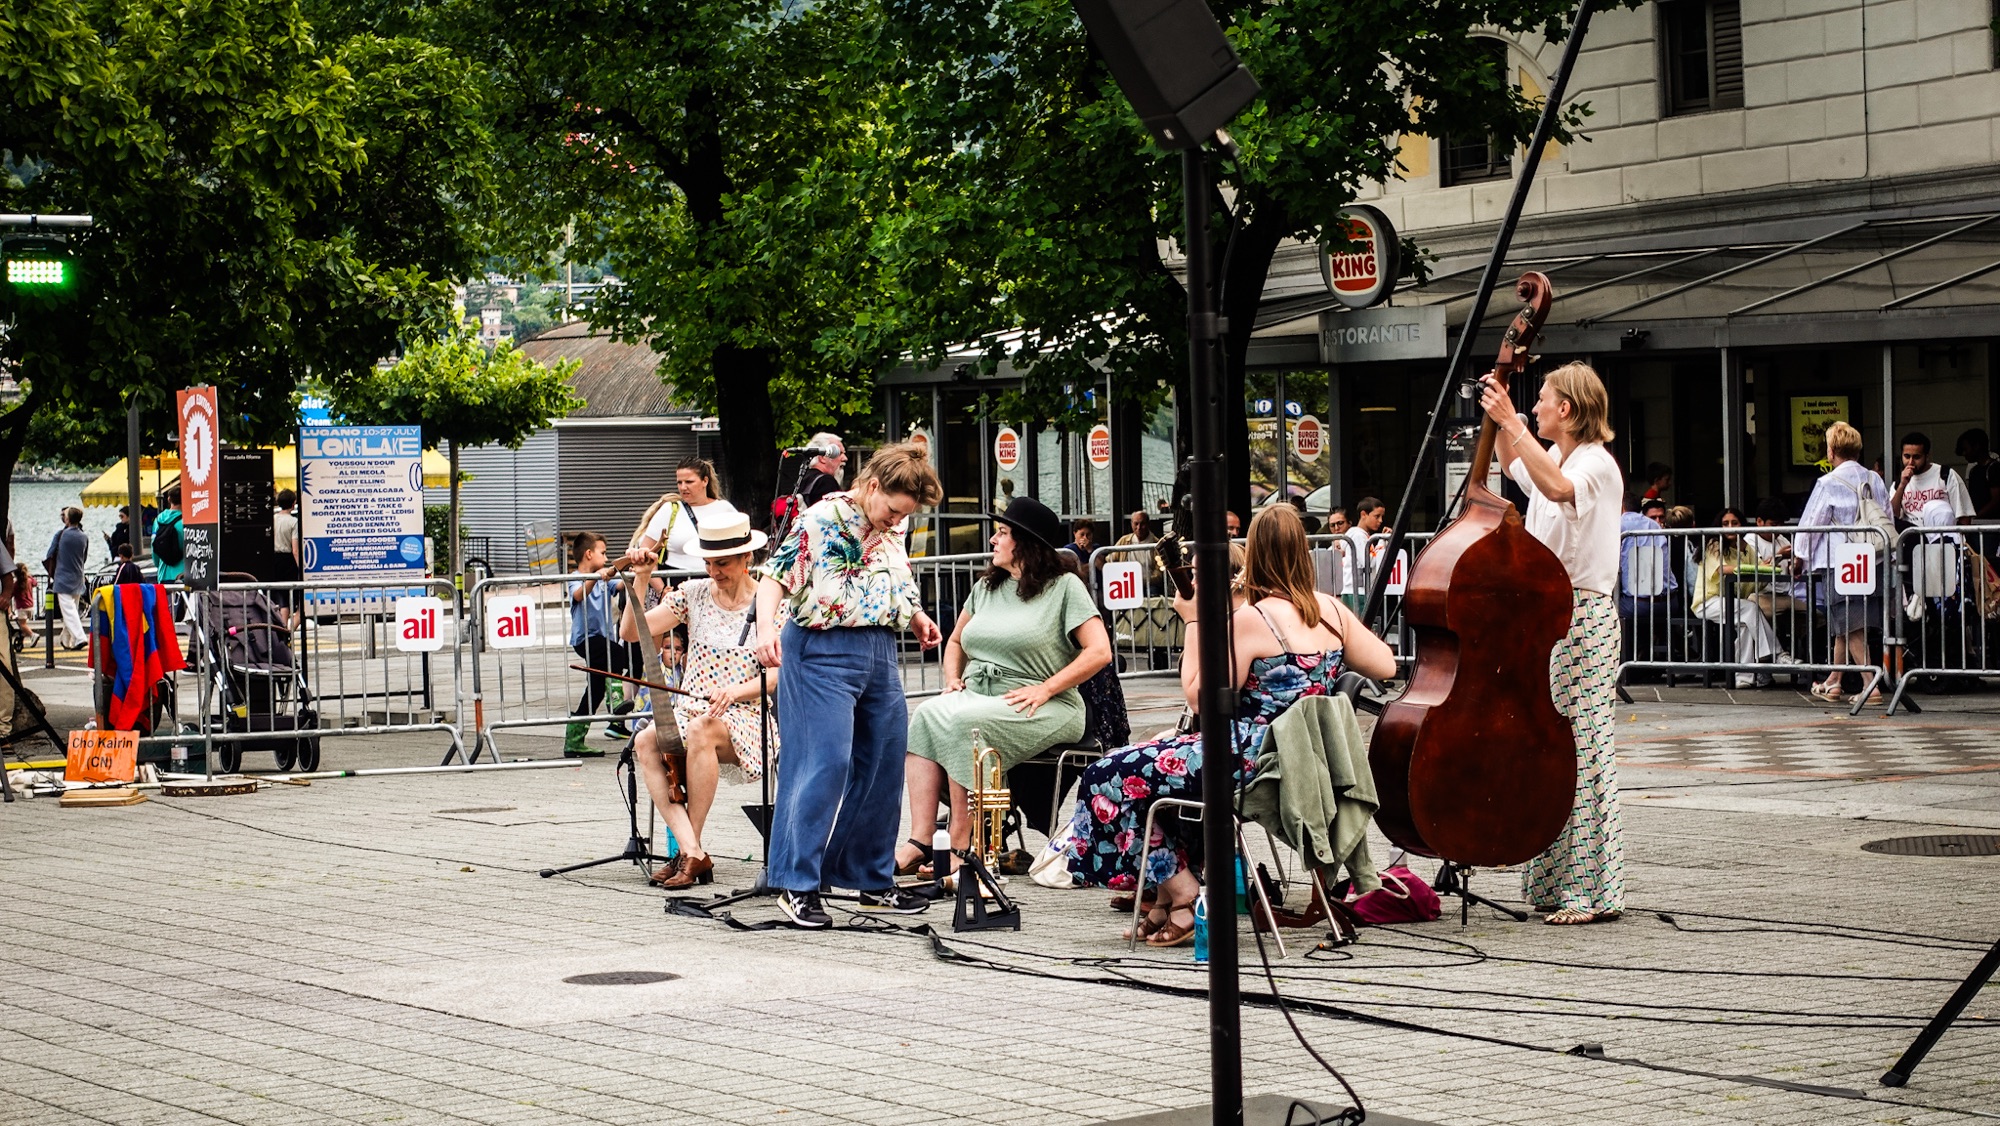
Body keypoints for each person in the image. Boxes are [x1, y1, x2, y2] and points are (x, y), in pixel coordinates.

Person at [1058, 506, 1396, 946]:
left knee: (1107, 774)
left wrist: (1195, 621)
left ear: (1253, 554)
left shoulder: (1256, 620)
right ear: (1302, 553)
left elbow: (1199, 696)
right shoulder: (1330, 611)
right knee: (1145, 772)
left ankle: (1183, 894)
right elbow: (1386, 665)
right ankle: (1166, 899)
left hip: (1251, 756)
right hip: (1306, 761)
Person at [754, 442, 944, 928]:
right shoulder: (820, 518)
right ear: (873, 486)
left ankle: (869, 877)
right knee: (824, 760)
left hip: (878, 648)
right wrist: (764, 630)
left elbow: (895, 580)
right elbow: (775, 577)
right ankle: (797, 883)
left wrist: (918, 616)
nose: (896, 521)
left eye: (905, 515)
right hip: (820, 648)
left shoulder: (892, 525)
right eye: (893, 510)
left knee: (883, 761)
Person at [1479, 359, 1625, 926]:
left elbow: (1559, 489)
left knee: (1584, 749)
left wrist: (1510, 420)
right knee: (1551, 746)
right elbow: (1519, 466)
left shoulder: (1594, 464)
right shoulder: (1560, 455)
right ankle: (1552, 880)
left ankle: (1591, 890)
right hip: (1548, 617)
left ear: (1566, 409)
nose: (1535, 406)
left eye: (1542, 399)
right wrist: (1499, 416)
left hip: (1582, 615)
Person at [896, 497, 1112, 879]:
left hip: (1046, 702)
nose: (993, 539)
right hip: (980, 693)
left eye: (1002, 532)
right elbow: (957, 641)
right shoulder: (987, 587)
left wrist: (1047, 688)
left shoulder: (1064, 588)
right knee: (927, 714)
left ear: (1025, 543)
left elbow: (1099, 651)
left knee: (968, 724)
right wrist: (951, 677)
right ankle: (922, 839)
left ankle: (964, 844)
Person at [619, 511, 781, 890]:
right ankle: (693, 851)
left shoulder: (770, 603)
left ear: (746, 559)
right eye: (708, 562)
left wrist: (735, 691)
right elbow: (631, 632)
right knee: (645, 738)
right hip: (694, 710)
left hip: (747, 716)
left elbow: (779, 673)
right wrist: (642, 578)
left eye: (722, 563)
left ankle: (689, 853)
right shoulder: (692, 594)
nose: (714, 571)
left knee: (700, 729)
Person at [1795, 421, 1892, 704]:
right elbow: (1885, 516)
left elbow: (1812, 523)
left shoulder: (1828, 483)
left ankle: (1870, 684)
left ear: (1832, 450)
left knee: (1849, 623)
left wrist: (1800, 557)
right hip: (1872, 557)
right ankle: (1834, 681)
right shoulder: (1875, 479)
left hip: (1841, 560)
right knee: (1847, 621)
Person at [1692, 507, 1793, 688]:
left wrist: (1770, 564)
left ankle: (1744, 678)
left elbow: (1757, 577)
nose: (1730, 527)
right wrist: (1757, 568)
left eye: (1734, 523)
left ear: (1742, 525)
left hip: (1734, 603)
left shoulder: (1747, 548)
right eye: (1725, 524)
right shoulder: (1713, 544)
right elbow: (1722, 569)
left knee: (1746, 624)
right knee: (1751, 608)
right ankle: (1776, 654)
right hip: (1708, 602)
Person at [563, 533, 628, 758]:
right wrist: (596, 577)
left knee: (595, 689)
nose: (606, 557)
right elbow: (579, 595)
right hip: (586, 639)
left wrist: (635, 571)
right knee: (618, 655)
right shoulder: (575, 577)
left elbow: (618, 586)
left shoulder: (603, 578)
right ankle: (615, 700)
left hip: (602, 638)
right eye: (603, 553)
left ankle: (574, 741)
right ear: (589, 554)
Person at [633, 457, 739, 573]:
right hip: (676, 582)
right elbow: (646, 553)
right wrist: (662, 589)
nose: (683, 487)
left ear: (705, 481)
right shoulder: (669, 510)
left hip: (718, 581)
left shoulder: (724, 508)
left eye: (689, 482)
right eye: (679, 482)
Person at [1890, 432, 1973, 528]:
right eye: (1907, 456)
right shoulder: (1899, 482)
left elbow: (1964, 516)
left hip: (1942, 538)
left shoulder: (1945, 475)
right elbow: (1892, 516)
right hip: (1912, 537)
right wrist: (1902, 485)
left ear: (1927, 456)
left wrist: (1958, 540)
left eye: (1917, 457)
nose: (1911, 462)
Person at [43, 507, 90, 649]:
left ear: (67, 519)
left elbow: (50, 553)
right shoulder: (84, 536)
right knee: (72, 611)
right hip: (78, 576)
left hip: (62, 577)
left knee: (69, 611)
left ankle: (80, 637)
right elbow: (85, 557)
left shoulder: (61, 534)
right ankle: (66, 639)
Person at [1955, 428, 2000, 520]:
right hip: (1978, 525)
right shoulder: (1973, 471)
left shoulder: (1994, 468)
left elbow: (1997, 500)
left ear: (1976, 446)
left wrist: (1976, 516)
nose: (1964, 453)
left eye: (1966, 449)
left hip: (1993, 525)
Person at [794, 433, 848, 509]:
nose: (845, 458)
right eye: (838, 453)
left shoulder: (802, 479)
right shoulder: (826, 482)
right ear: (823, 457)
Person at [151, 488, 186, 587]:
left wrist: (158, 564)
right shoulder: (186, 521)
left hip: (163, 575)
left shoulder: (158, 520)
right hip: (182, 576)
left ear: (169, 499)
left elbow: (154, 548)